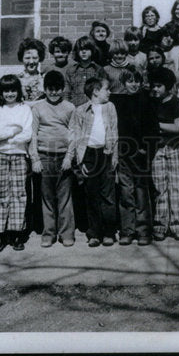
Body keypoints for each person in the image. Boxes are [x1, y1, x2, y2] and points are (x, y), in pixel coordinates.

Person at [67, 76, 118, 247]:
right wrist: (78, 161)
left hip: (106, 153)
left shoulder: (110, 107)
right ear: (96, 91)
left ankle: (109, 232)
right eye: (106, 89)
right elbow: (74, 135)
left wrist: (115, 156)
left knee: (108, 195)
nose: (109, 92)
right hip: (88, 155)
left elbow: (114, 133)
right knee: (92, 195)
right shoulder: (80, 110)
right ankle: (94, 233)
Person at [112, 67, 159, 246]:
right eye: (130, 81)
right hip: (124, 154)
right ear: (124, 83)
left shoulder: (147, 101)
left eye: (137, 81)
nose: (134, 84)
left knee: (141, 193)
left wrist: (146, 150)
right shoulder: (117, 102)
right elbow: (116, 129)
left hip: (141, 155)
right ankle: (127, 230)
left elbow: (154, 129)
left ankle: (143, 230)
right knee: (126, 193)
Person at [0, 74, 33, 253]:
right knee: (0, 194)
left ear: (18, 91)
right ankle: (0, 235)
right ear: (1, 92)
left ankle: (17, 234)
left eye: (13, 90)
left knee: (19, 194)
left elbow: (27, 135)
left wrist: (6, 137)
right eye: (6, 90)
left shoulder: (24, 110)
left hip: (19, 155)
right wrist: (14, 130)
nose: (10, 94)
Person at [29, 70, 76, 247]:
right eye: (50, 89)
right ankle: (49, 233)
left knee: (64, 198)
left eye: (57, 89)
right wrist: (35, 159)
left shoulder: (70, 108)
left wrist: (69, 157)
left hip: (63, 157)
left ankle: (66, 233)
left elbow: (73, 133)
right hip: (44, 156)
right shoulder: (38, 107)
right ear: (45, 89)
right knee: (47, 197)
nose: (54, 92)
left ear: (63, 89)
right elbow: (32, 134)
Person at [149, 65, 179, 241]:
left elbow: (177, 127)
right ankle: (160, 224)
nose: (155, 89)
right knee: (160, 186)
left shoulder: (175, 102)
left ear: (168, 86)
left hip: (173, 148)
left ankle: (178, 224)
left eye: (159, 86)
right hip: (156, 149)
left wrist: (157, 126)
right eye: (153, 85)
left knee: (176, 185)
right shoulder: (150, 102)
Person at [64, 35, 107, 106]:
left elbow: (103, 91)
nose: (83, 51)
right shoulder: (71, 71)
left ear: (92, 50)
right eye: (81, 49)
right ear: (77, 51)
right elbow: (66, 93)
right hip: (76, 108)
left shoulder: (99, 70)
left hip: (94, 107)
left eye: (87, 49)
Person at [17, 37, 46, 101]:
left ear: (40, 58)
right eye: (27, 58)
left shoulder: (45, 79)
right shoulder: (16, 81)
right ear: (22, 58)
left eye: (35, 58)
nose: (31, 62)